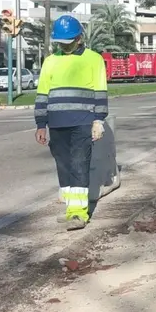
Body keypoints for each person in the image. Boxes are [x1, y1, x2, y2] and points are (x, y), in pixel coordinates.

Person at [34, 15, 108, 230]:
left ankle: (79, 213)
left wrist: (98, 120)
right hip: (56, 123)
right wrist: (41, 124)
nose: (64, 46)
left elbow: (100, 91)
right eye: (61, 43)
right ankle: (70, 209)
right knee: (64, 165)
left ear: (79, 38)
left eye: (68, 42)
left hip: (82, 121)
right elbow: (42, 94)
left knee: (78, 164)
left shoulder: (93, 59)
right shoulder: (50, 61)